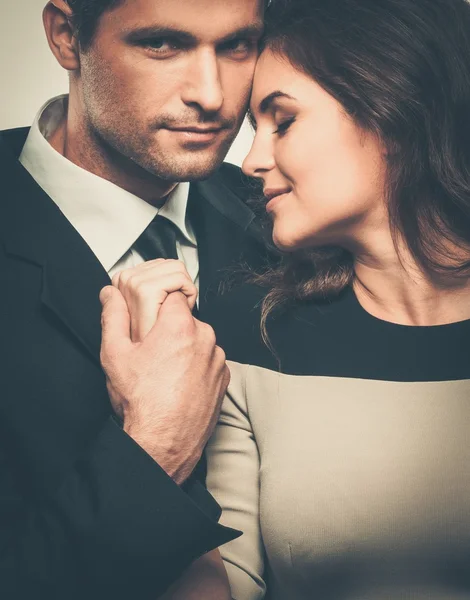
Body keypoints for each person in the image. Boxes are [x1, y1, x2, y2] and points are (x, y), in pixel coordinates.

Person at [193, 0, 470, 597]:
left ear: (392, 112)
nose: (251, 161)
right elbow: (224, 582)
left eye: (282, 121)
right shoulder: (249, 336)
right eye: (253, 131)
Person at [0, 0, 272, 598]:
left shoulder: (286, 218)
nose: (213, 94)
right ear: (67, 36)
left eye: (237, 46)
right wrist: (154, 448)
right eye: (162, 44)